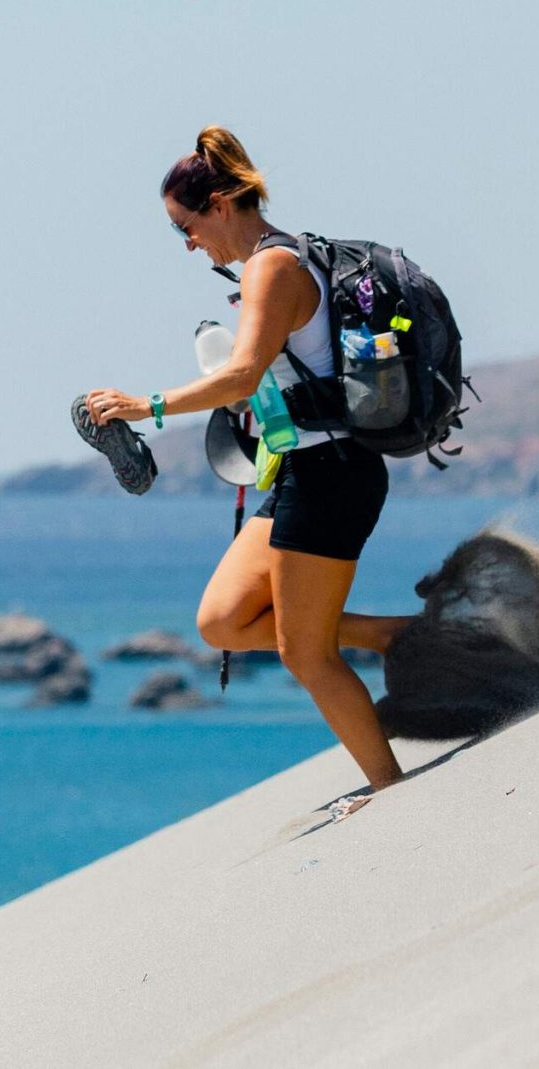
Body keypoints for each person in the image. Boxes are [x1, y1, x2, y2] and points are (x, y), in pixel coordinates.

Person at [81, 127, 410, 812]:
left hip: (333, 473)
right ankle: (390, 634)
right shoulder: (269, 262)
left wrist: (149, 406)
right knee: (223, 619)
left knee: (305, 655)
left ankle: (388, 790)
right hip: (301, 467)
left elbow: (239, 373)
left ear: (222, 204)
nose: (189, 243)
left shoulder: (273, 267)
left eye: (187, 226)